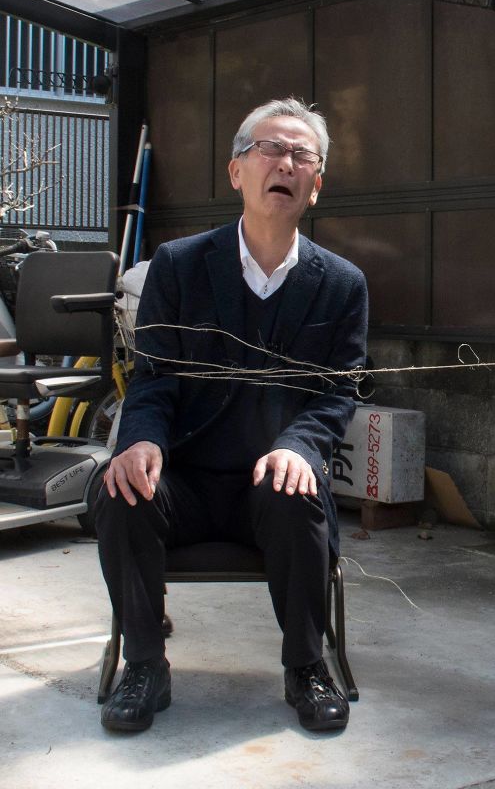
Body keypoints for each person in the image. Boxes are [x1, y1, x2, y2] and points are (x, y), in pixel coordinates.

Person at [96, 96, 368, 734]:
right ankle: (144, 664)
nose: (286, 163)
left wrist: (300, 447)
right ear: (236, 172)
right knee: (118, 487)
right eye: (269, 148)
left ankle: (306, 667)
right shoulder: (178, 265)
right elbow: (153, 376)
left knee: (296, 488)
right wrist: (140, 441)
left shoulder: (341, 283)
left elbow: (338, 392)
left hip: (268, 485)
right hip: (186, 480)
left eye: (303, 155)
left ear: (317, 185)